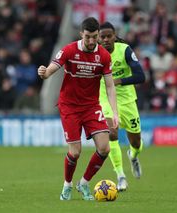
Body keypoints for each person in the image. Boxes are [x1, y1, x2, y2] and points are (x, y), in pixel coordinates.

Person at [37, 17, 119, 201]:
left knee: (104, 148)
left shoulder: (104, 56)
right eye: (88, 37)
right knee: (75, 152)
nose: (92, 41)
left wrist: (114, 113)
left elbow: (110, 86)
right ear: (81, 34)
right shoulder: (69, 50)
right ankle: (67, 185)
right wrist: (44, 73)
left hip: (91, 106)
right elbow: (51, 70)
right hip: (70, 106)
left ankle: (84, 183)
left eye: (95, 37)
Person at [98, 22, 145, 191]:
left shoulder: (124, 50)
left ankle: (133, 156)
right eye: (102, 37)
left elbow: (141, 76)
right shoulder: (94, 53)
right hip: (104, 97)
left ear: (114, 35)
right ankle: (120, 176)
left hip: (126, 99)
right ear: (98, 38)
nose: (105, 40)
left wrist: (119, 81)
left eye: (108, 36)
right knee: (111, 132)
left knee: (136, 142)